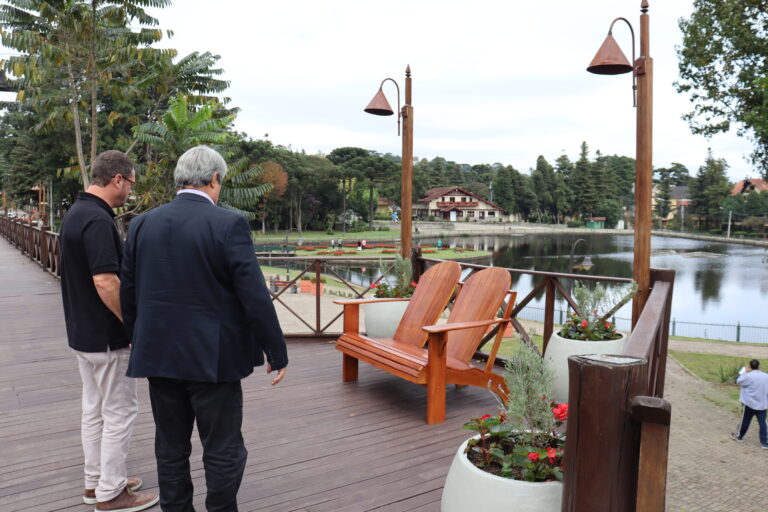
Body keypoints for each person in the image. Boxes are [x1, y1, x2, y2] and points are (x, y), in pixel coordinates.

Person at [121, 145, 289, 511]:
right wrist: (276, 351)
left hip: (159, 355)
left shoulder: (142, 224)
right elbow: (254, 297)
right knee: (223, 445)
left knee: (170, 445)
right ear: (214, 179)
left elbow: (129, 293)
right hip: (214, 359)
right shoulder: (228, 224)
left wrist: (138, 339)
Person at [59, 150, 158, 511]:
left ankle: (95, 482)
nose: (130, 191)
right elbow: (105, 281)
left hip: (82, 333)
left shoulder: (76, 212)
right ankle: (112, 492)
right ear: (117, 178)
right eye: (130, 183)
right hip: (106, 337)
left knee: (95, 409)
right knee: (119, 411)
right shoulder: (98, 220)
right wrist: (131, 323)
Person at [731, 359, 768, 448]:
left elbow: (738, 381)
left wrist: (743, 372)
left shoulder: (748, 376)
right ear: (759, 366)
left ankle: (739, 436)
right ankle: (764, 442)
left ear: (750, 366)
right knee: (763, 423)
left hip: (749, 403)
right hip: (762, 404)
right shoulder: (766, 376)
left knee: (745, 421)